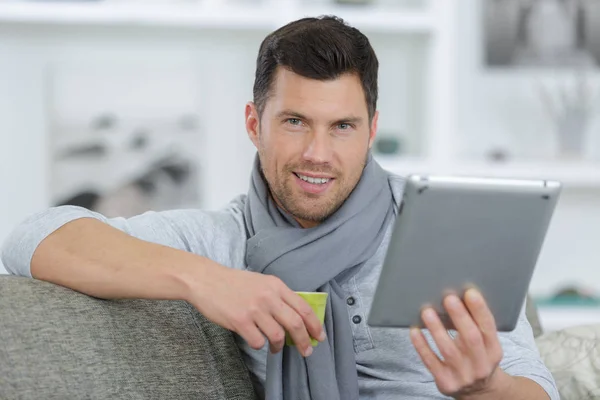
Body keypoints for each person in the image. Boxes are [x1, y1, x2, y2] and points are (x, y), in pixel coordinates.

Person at [1, 16, 558, 400]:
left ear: (372, 131)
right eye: (295, 122)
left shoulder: (445, 228)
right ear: (254, 124)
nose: (318, 154)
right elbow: (34, 238)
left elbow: (536, 388)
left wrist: (487, 388)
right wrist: (206, 281)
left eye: (343, 126)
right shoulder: (223, 241)